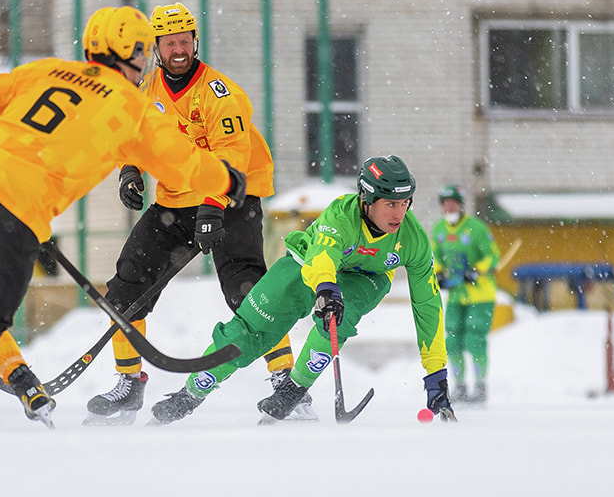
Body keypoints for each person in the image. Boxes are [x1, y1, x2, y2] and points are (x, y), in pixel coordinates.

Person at [0, 5, 247, 429]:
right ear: (133, 53)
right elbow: (183, 163)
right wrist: (228, 181)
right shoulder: (132, 106)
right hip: (6, 205)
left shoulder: (49, 71)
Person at [85, 2, 304, 425]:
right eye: (169, 43)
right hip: (175, 200)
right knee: (127, 283)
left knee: (249, 292)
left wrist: (212, 206)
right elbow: (131, 135)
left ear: (195, 41)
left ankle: (285, 384)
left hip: (232, 198)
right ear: (157, 47)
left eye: (185, 40)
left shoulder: (221, 93)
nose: (178, 49)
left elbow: (233, 155)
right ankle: (129, 385)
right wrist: (129, 172)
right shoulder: (146, 90)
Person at [149, 155, 454, 424]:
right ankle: (191, 393)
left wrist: (436, 375)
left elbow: (427, 304)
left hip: (365, 278)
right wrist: (325, 289)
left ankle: (293, 390)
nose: (399, 214)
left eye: (405, 203)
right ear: (367, 199)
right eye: (390, 204)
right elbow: (321, 258)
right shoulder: (341, 216)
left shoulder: (413, 239)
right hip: (308, 264)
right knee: (252, 327)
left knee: (339, 317)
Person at [430, 184, 500, 405]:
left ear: (460, 205)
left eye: (453, 202)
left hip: (480, 295)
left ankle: (480, 387)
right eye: (445, 202)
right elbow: (435, 256)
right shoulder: (439, 230)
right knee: (452, 340)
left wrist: (477, 270)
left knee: (474, 338)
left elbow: (492, 255)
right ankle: (459, 387)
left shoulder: (476, 228)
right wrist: (439, 274)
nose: (449, 206)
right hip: (455, 295)